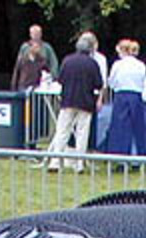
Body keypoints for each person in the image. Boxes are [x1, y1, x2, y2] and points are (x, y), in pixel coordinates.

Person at [46, 35, 103, 172]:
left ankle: (54, 162)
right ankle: (79, 164)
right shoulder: (92, 64)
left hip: (68, 100)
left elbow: (60, 79)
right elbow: (98, 84)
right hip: (85, 102)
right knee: (82, 133)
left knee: (62, 131)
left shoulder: (67, 61)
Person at [105, 39, 146, 157]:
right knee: (137, 127)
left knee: (120, 127)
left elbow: (111, 81)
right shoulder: (140, 65)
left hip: (121, 96)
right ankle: (138, 155)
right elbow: (143, 81)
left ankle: (120, 155)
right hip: (137, 96)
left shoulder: (118, 65)